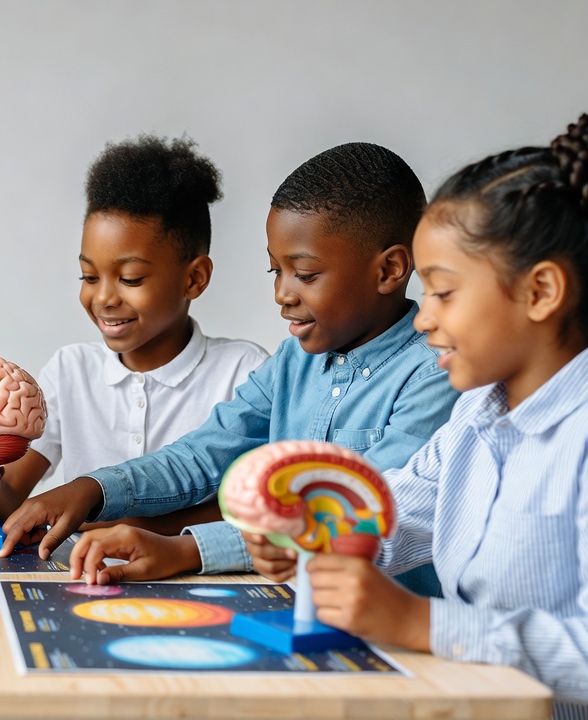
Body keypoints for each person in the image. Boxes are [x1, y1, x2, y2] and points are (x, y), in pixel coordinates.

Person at [246, 114, 588, 719]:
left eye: (444, 293)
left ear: (540, 292)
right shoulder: (476, 415)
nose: (423, 319)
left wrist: (421, 621)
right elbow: (393, 513)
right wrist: (313, 541)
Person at [11, 143, 456, 597]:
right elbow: (203, 454)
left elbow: (358, 515)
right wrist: (94, 489)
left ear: (390, 269)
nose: (282, 293)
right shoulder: (292, 361)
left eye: (305, 274)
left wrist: (189, 550)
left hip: (387, 627)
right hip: (284, 608)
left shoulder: (435, 374)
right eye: (275, 271)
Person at [0, 135, 266, 527]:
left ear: (194, 278)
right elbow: (11, 493)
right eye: (89, 276)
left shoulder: (243, 373)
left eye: (130, 278)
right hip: (81, 566)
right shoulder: (70, 370)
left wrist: (132, 528)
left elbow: (257, 503)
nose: (103, 298)